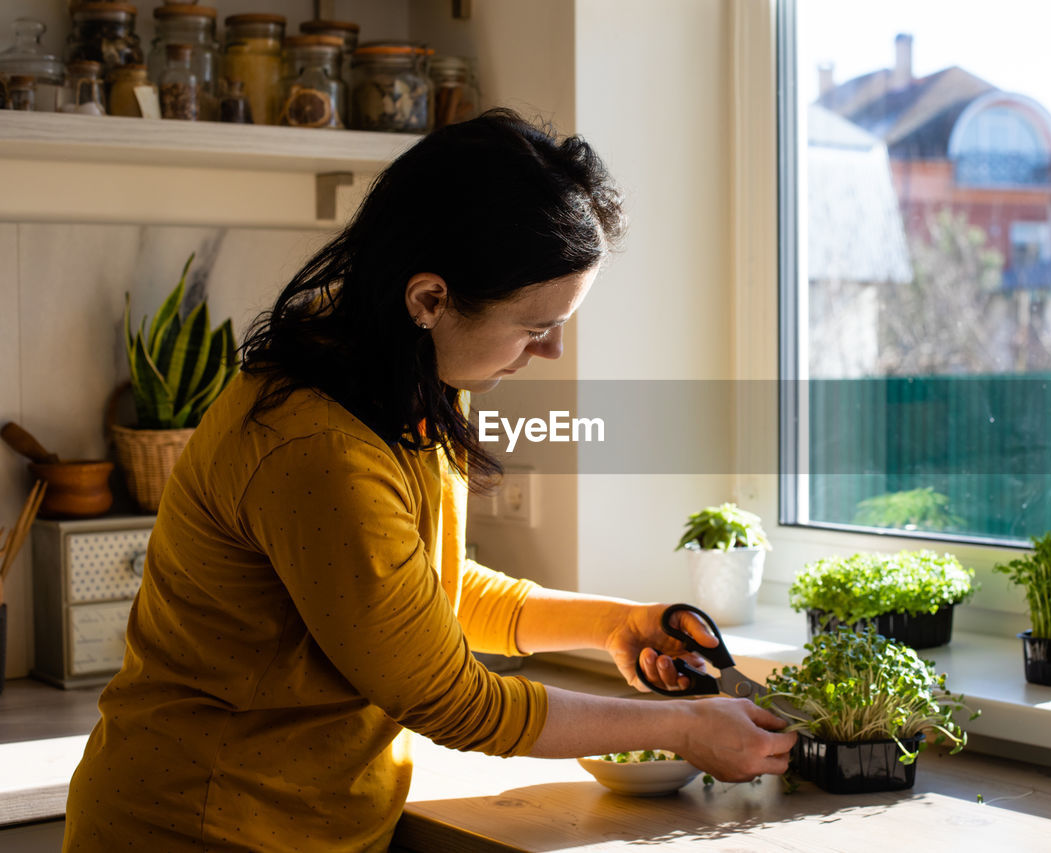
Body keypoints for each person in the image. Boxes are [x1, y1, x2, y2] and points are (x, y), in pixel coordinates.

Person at [64, 110, 795, 851]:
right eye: (535, 325)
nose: (553, 349)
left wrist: (611, 623)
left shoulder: (409, 377)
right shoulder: (316, 445)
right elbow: (450, 698)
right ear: (429, 299)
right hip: (200, 826)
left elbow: (426, 593)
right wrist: (684, 726)